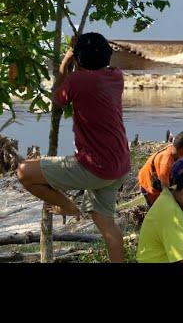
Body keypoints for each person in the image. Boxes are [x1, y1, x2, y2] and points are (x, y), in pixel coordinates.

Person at [17, 33, 130, 263]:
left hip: (94, 167)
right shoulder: (116, 76)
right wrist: (76, 57)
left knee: (23, 172)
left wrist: (64, 62)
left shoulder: (78, 81)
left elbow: (57, 99)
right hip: (119, 165)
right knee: (108, 228)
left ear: (79, 60)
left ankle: (67, 205)